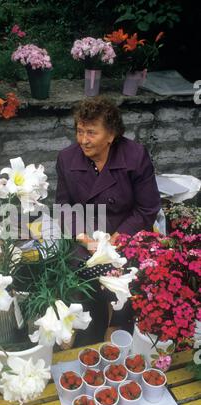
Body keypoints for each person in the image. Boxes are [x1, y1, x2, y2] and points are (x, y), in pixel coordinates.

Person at [55, 96, 161, 344]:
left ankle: (120, 325)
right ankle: (89, 330)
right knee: (81, 277)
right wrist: (83, 237)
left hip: (127, 234)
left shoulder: (135, 156)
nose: (83, 140)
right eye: (80, 131)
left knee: (123, 281)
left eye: (91, 132)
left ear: (111, 134)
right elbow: (63, 206)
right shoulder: (67, 159)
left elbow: (147, 207)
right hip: (86, 237)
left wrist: (116, 239)